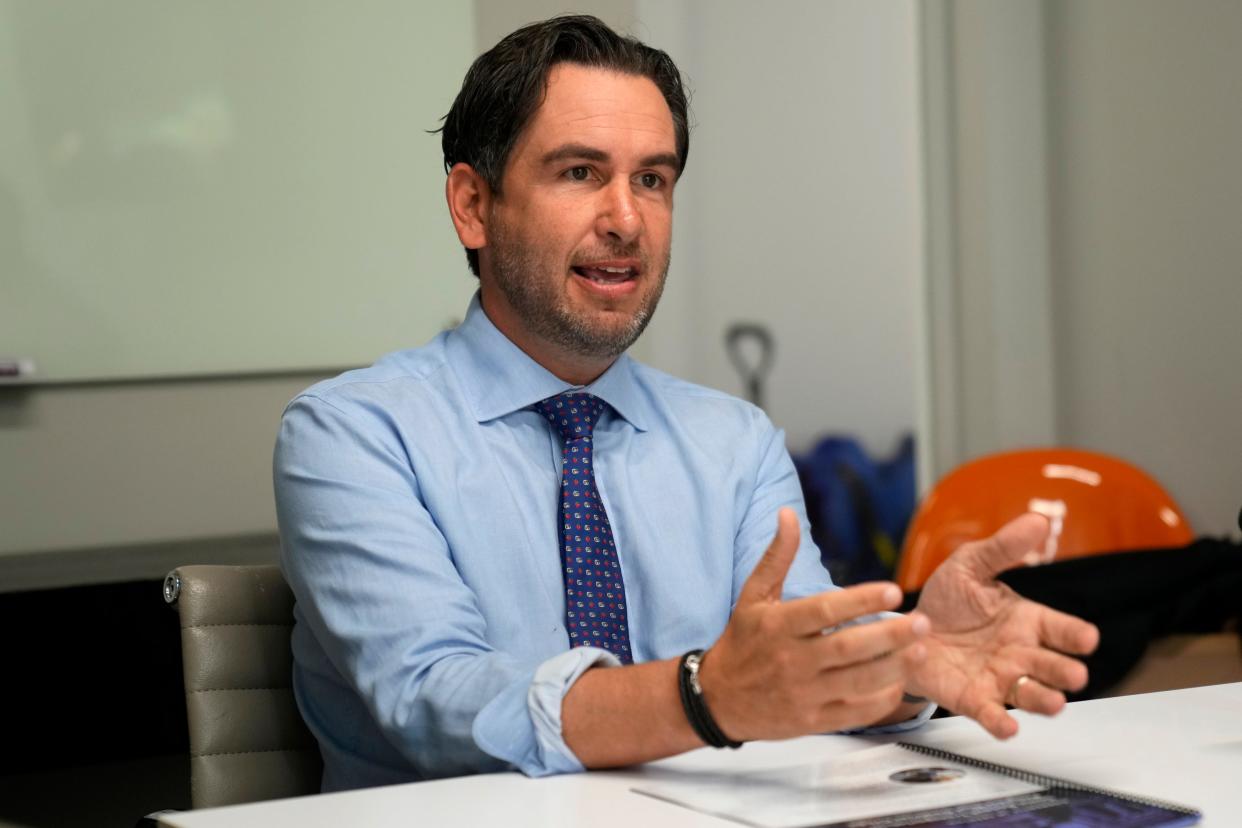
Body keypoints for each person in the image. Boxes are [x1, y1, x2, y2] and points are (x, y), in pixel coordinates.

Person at [273, 15, 1098, 792]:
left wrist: (903, 659)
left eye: (653, 180)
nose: (627, 219)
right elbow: (437, 701)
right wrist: (706, 698)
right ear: (473, 205)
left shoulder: (732, 441)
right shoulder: (354, 434)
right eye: (579, 172)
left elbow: (799, 664)